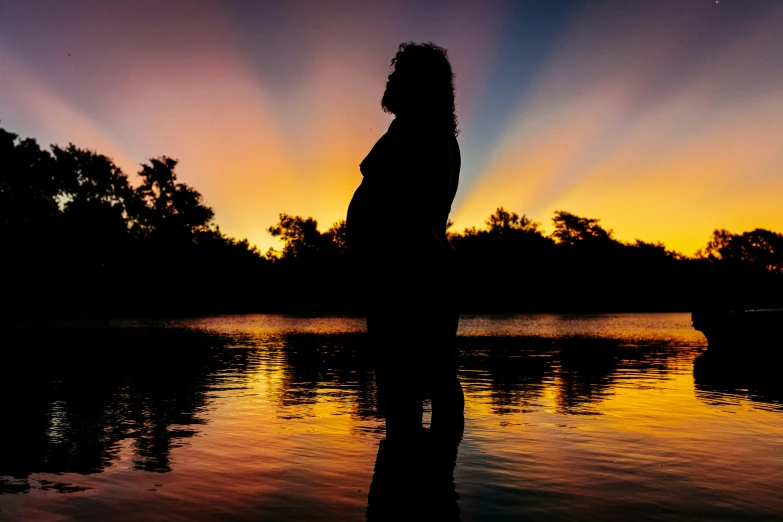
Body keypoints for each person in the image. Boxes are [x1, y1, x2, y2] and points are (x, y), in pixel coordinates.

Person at [346, 42, 463, 443]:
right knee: (427, 383)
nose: (391, 79)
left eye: (401, 73)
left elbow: (400, 213)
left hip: (406, 277)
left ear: (419, 84)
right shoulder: (432, 135)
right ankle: (435, 489)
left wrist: (370, 263)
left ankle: (414, 490)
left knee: (405, 392)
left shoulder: (417, 134)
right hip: (416, 272)